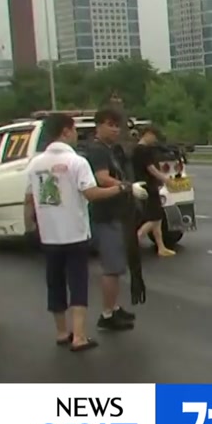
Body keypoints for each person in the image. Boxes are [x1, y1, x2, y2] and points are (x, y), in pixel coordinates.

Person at [23, 114, 137, 352]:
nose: (76, 134)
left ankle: (61, 332)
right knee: (77, 283)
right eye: (74, 129)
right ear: (65, 131)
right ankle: (79, 336)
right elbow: (91, 193)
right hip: (74, 232)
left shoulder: (35, 164)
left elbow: (29, 199)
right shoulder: (77, 162)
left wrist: (30, 226)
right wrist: (122, 188)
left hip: (49, 235)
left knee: (55, 283)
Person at [81, 106, 138, 330]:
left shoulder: (109, 149)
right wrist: (126, 186)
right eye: (110, 125)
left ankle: (114, 306)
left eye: (117, 126)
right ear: (99, 126)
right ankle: (106, 314)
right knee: (112, 266)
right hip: (105, 215)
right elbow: (102, 178)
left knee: (117, 265)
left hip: (115, 213)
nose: (115, 130)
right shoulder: (98, 150)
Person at [132, 126, 176, 257]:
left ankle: (161, 247)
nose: (155, 140)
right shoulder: (143, 150)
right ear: (147, 134)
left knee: (158, 218)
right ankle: (137, 237)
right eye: (154, 136)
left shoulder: (137, 149)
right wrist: (165, 179)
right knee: (154, 217)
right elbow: (151, 168)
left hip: (147, 185)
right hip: (148, 186)